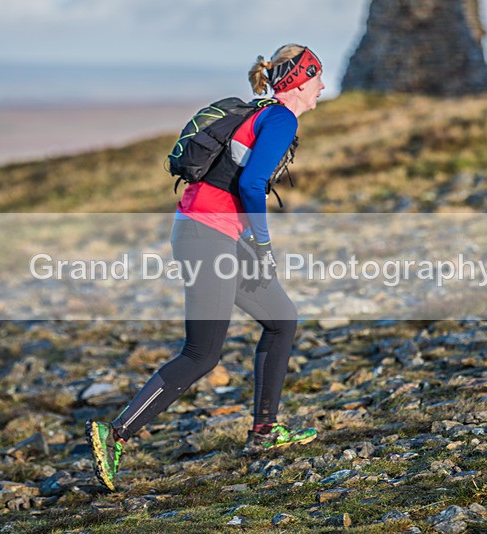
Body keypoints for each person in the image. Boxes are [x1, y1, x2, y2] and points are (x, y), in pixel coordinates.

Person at [86, 44, 326, 491]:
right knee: (202, 354)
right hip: (207, 236)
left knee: (282, 320)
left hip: (208, 232)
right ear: (299, 81)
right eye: (317, 78)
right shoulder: (280, 118)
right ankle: (114, 434)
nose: (323, 87)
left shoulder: (261, 112)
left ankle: (265, 431)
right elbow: (252, 183)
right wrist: (263, 243)